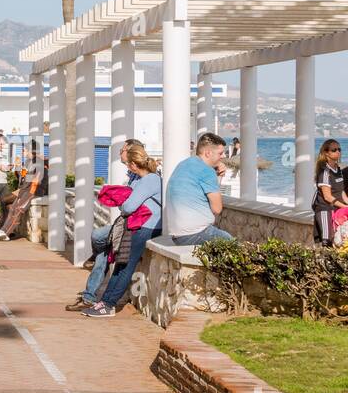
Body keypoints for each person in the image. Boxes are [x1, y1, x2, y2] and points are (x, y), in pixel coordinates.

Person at [83, 145, 162, 318]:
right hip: (143, 226)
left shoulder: (149, 180)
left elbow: (129, 206)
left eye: (128, 165)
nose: (128, 168)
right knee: (121, 262)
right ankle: (104, 301)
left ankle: (108, 304)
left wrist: (123, 203)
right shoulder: (149, 179)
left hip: (145, 227)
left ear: (134, 164)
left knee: (124, 265)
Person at [67, 139, 146, 311]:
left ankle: (93, 259)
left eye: (123, 149)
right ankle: (89, 296)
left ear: (132, 152)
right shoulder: (130, 176)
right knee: (104, 252)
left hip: (135, 224)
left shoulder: (144, 177)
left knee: (97, 236)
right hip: (125, 222)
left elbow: (134, 203)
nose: (120, 152)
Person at [165, 133, 233, 246]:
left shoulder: (184, 164)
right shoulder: (206, 171)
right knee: (233, 244)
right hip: (195, 234)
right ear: (208, 153)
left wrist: (218, 175)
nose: (224, 156)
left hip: (177, 235)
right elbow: (217, 209)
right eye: (220, 153)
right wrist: (217, 175)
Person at [0, 140, 45, 241]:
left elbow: (34, 182)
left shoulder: (38, 163)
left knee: (18, 209)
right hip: (26, 190)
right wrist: (18, 168)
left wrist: (23, 192)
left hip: (33, 192)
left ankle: (6, 233)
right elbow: (22, 179)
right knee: (12, 208)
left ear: (30, 151)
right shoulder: (30, 162)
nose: (23, 152)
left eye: (24, 150)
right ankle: (4, 230)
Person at [312, 139, 348, 246]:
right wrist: (344, 206)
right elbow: (327, 197)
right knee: (327, 241)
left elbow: (341, 191)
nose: (338, 152)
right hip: (325, 209)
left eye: (339, 149)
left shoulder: (338, 170)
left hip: (336, 209)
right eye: (334, 150)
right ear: (326, 152)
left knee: (337, 239)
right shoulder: (324, 171)